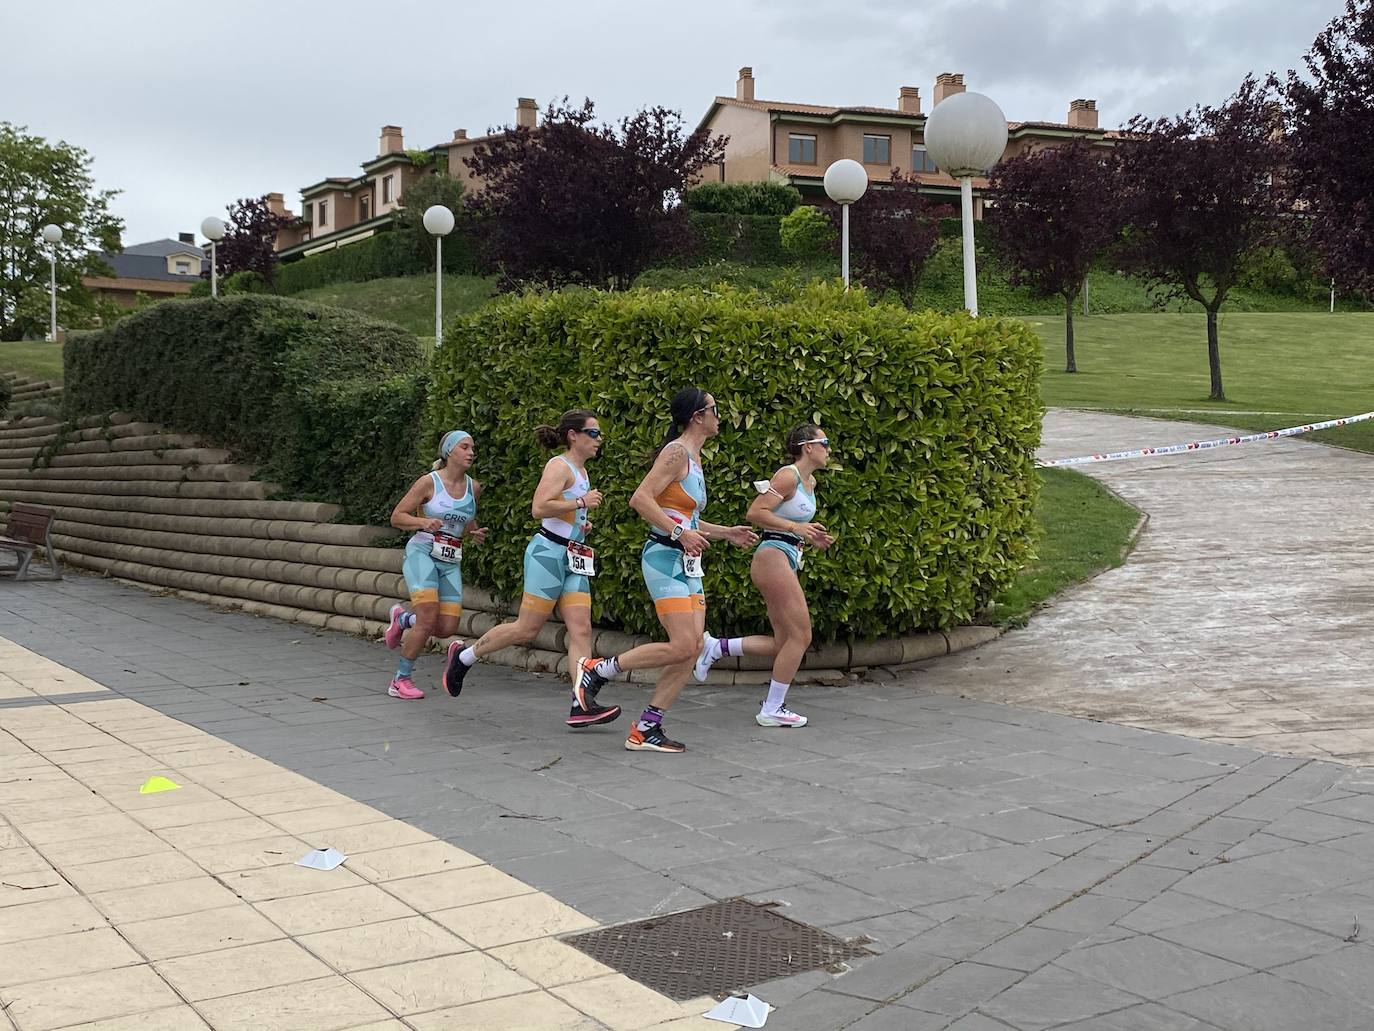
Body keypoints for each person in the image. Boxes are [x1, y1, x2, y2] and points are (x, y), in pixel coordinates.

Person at [574, 387, 764, 753]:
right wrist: (680, 533)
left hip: (686, 564)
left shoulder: (694, 457)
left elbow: (687, 518)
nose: (719, 416)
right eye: (714, 409)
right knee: (682, 644)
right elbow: (640, 499)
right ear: (697, 416)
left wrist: (726, 533)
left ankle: (647, 727)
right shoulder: (676, 452)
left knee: (691, 649)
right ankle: (598, 669)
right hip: (663, 559)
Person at [436, 409, 622, 728]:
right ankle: (464, 657)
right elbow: (539, 508)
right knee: (526, 629)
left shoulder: (581, 471)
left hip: (572, 556)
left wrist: (580, 524)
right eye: (593, 433)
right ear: (572, 436)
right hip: (547, 555)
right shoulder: (558, 465)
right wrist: (580, 505)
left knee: (581, 630)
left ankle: (581, 702)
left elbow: (559, 511)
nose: (599, 439)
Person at [695, 423, 835, 727]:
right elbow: (756, 512)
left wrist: (810, 536)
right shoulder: (789, 475)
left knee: (783, 642)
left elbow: (787, 521)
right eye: (824, 442)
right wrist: (796, 528)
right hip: (772, 557)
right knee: (802, 635)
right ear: (807, 446)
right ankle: (772, 708)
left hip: (784, 557)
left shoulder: (809, 483)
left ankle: (717, 647)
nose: (829, 449)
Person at [382, 430, 485, 699]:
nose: (471, 452)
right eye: (465, 447)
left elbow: (465, 519)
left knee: (447, 627)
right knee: (427, 619)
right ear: (449, 451)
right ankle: (400, 680)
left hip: (450, 559)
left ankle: (403, 619)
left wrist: (473, 532)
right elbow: (397, 517)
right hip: (423, 552)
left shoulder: (474, 487)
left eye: (473, 448)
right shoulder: (429, 483)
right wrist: (422, 522)